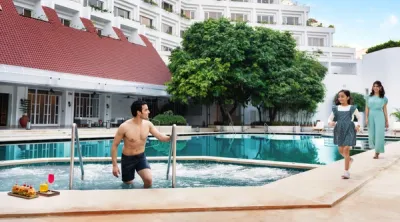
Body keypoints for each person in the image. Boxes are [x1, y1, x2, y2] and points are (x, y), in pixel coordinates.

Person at [111, 100, 171, 188]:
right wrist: (115, 165)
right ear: (139, 112)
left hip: (141, 157)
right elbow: (114, 145)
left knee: (148, 180)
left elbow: (160, 137)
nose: (149, 112)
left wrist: (171, 137)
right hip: (127, 159)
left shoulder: (148, 124)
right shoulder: (124, 127)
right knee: (128, 185)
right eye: (146, 110)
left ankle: (143, 199)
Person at [328, 90, 361, 179]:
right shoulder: (336, 108)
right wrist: (330, 123)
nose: (340, 98)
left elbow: (359, 118)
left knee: (346, 150)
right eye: (339, 97)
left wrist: (358, 125)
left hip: (350, 129)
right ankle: (349, 160)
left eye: (342, 96)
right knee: (340, 150)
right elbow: (330, 119)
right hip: (339, 129)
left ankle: (346, 172)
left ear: (348, 97)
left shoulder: (352, 108)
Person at [365, 80, 389, 159]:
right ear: (372, 87)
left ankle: (377, 152)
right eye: (374, 86)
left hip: (379, 115)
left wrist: (386, 120)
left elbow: (385, 109)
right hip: (371, 115)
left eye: (377, 86)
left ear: (380, 88)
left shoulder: (384, 98)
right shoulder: (368, 97)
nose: (375, 88)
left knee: (379, 134)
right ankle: (375, 148)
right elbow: (367, 108)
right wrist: (366, 118)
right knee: (372, 134)